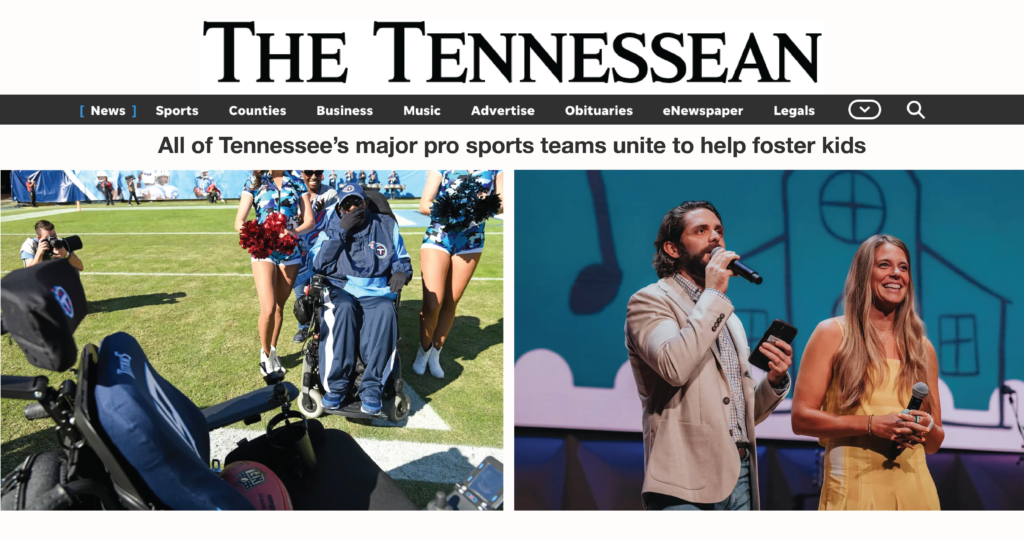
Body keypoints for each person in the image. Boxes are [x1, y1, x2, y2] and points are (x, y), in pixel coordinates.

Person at [624, 201, 791, 511]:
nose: (715, 238)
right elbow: (674, 367)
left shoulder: (728, 318)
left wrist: (774, 381)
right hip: (684, 481)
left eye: (719, 231)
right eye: (701, 231)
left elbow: (739, 415)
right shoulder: (650, 301)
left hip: (740, 476)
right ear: (673, 249)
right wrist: (714, 294)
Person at [791, 234, 942, 510]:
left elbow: (934, 443)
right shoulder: (832, 333)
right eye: (884, 265)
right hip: (854, 490)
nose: (896, 273)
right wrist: (872, 424)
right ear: (863, 274)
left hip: (916, 492)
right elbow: (801, 419)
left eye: (903, 267)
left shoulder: (922, 348)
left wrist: (925, 426)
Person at [309, 183, 411, 414]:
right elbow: (318, 264)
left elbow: (401, 257)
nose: (353, 207)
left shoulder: (386, 225)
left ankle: (372, 388)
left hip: (376, 291)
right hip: (341, 286)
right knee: (342, 309)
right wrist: (340, 232)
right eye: (347, 204)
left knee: (386, 311)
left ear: (366, 202)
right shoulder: (332, 226)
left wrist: (401, 271)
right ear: (340, 208)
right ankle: (336, 387)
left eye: (358, 202)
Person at [415, 170, 503, 379]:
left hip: (471, 241)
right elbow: (424, 204)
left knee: (450, 302)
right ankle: (423, 351)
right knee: (432, 303)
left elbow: (503, 203)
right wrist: (453, 209)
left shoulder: (497, 167)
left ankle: (435, 353)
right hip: (439, 235)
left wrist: (480, 206)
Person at [235, 170, 314, 378]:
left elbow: (309, 221)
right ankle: (265, 354)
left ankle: (273, 351)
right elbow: (239, 221)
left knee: (280, 306)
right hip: (263, 250)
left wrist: (293, 232)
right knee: (268, 308)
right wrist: (254, 232)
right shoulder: (253, 182)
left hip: (290, 250)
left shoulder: (297, 182)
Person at [291, 170, 338, 342]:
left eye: (317, 172)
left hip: (322, 251)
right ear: (301, 172)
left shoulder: (330, 193)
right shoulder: (293, 192)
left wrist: (324, 210)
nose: (313, 177)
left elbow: (337, 219)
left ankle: (321, 327)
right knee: (300, 292)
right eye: (309, 172)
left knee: (321, 291)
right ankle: (303, 328)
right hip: (299, 250)